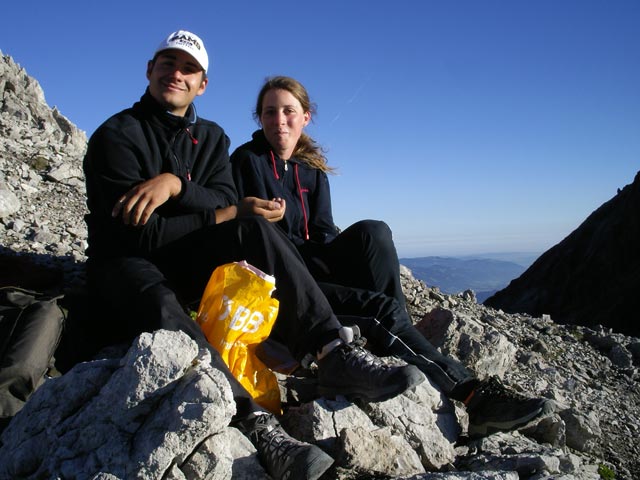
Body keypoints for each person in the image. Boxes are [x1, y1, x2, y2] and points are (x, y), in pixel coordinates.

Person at [82, 31, 425, 480]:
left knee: (252, 227)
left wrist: (177, 185)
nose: (176, 74)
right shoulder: (117, 135)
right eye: (167, 63)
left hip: (183, 251)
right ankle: (257, 425)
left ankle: (331, 352)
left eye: (188, 68)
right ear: (150, 70)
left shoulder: (210, 138)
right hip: (129, 262)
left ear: (202, 84)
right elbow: (143, 236)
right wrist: (214, 208)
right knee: (163, 303)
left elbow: (226, 200)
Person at [231, 75, 555, 438]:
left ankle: (397, 333)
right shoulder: (246, 161)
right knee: (380, 312)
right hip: (286, 289)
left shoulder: (312, 171)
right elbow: (249, 239)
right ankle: (474, 397)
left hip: (316, 271)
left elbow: (323, 233)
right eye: (270, 112)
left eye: (288, 111)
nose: (279, 120)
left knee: (375, 232)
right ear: (259, 118)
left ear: (305, 117)